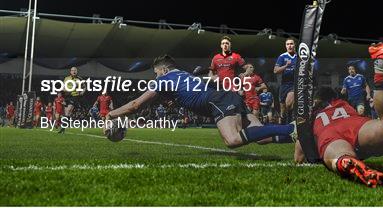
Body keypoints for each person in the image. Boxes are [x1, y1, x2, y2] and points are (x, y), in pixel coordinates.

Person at [294, 40, 383, 187]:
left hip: (329, 134)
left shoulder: (311, 114)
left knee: (341, 156)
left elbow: (300, 150)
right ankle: (382, 65)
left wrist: (302, 157)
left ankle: (346, 161)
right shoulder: (342, 103)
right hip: (355, 124)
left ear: (316, 101)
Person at [105, 55, 296, 148]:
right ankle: (303, 138)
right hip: (225, 97)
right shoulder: (182, 75)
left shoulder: (163, 79)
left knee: (232, 140)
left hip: (218, 101)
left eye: (155, 73)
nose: (155, 77)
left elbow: (136, 105)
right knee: (261, 138)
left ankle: (291, 129)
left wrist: (111, 114)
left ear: (162, 70)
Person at [274, 38, 297, 123]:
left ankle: (290, 122)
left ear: (295, 45)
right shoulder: (282, 56)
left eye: (291, 44)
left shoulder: (299, 57)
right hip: (284, 85)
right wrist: (286, 66)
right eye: (287, 44)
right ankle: (283, 121)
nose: (289, 46)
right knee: (283, 109)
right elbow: (275, 70)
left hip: (294, 85)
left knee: (289, 103)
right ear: (285, 46)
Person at [59, 67, 86, 133]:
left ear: (77, 71)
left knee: (68, 111)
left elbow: (84, 87)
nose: (74, 71)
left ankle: (63, 128)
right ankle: (64, 127)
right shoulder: (66, 78)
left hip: (74, 96)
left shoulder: (79, 79)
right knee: (66, 113)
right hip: (67, 96)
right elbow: (63, 87)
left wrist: (82, 92)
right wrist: (65, 90)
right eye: (72, 70)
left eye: (75, 70)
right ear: (70, 72)